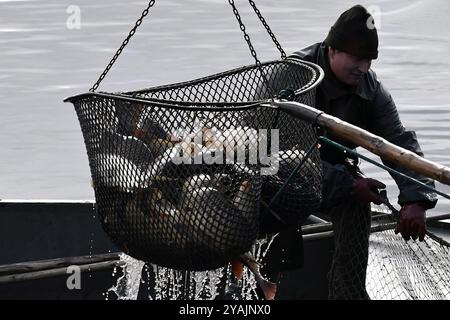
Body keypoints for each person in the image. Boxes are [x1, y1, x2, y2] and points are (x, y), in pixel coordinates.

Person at [258, 4, 438, 300]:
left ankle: (347, 291)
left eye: (368, 60)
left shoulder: (370, 88)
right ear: (332, 50)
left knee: (356, 203)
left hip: (328, 175)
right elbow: (273, 155)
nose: (363, 67)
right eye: (357, 58)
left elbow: (398, 144)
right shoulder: (292, 77)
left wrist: (416, 199)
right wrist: (348, 184)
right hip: (271, 171)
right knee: (343, 190)